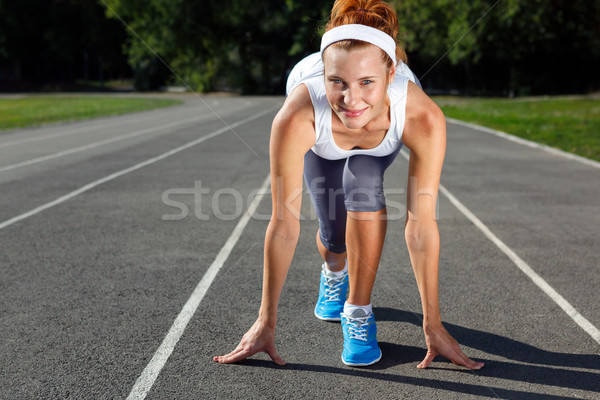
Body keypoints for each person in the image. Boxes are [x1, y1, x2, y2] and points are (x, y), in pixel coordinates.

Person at [214, 0, 484, 369]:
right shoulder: (298, 114)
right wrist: (265, 322)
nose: (351, 99)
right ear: (322, 73)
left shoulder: (421, 115)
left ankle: (357, 311)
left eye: (367, 83)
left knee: (363, 182)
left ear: (392, 75)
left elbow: (421, 226)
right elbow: (284, 223)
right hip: (323, 143)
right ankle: (334, 268)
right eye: (337, 81)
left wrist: (433, 324)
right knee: (332, 232)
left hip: (378, 142)